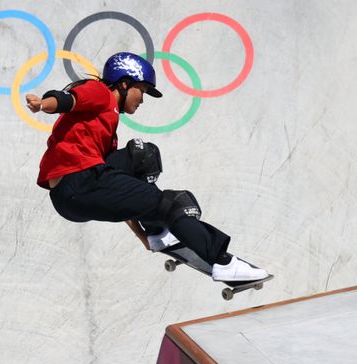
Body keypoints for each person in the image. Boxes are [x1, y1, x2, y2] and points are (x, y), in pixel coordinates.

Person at [25, 52, 268, 283]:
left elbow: (118, 193)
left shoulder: (107, 130)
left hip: (80, 188)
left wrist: (143, 236)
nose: (142, 99)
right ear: (123, 84)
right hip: (77, 182)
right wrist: (42, 104)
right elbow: (68, 99)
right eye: (140, 91)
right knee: (176, 204)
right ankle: (222, 262)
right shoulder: (100, 93)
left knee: (142, 155)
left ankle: (155, 230)